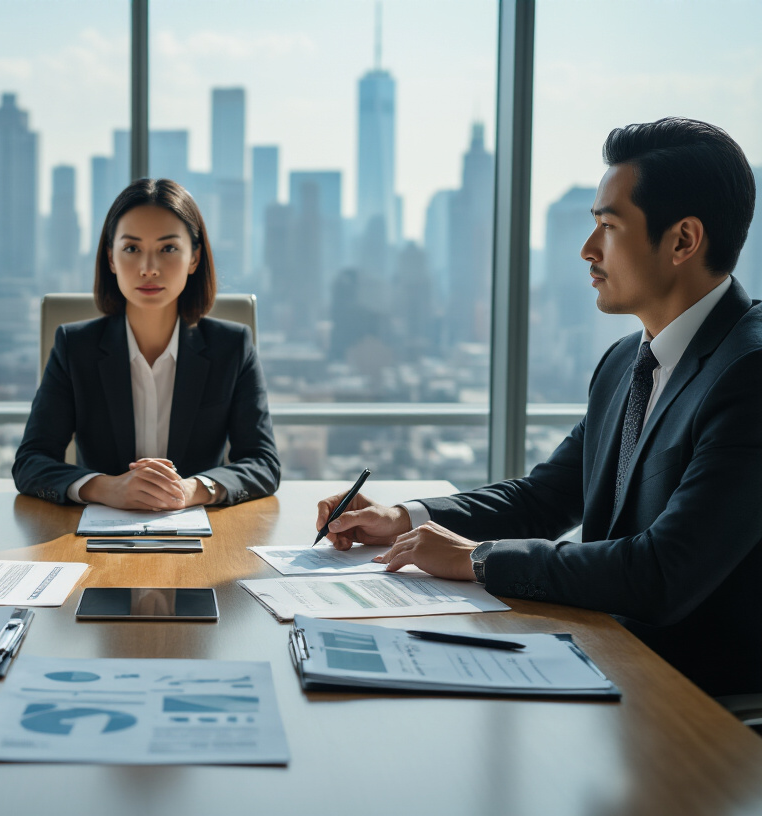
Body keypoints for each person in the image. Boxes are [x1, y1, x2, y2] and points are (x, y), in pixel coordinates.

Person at [317, 118, 760, 697]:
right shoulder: (628, 361)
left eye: (608, 226)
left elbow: (663, 574)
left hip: (695, 705)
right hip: (604, 655)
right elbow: (546, 496)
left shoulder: (749, 373)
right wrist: (407, 519)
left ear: (682, 240)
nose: (587, 250)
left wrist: (479, 559)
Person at [13, 178, 279, 510]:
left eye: (168, 248)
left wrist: (194, 488)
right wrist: (106, 488)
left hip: (203, 539)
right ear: (111, 259)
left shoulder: (232, 347)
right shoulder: (75, 347)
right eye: (131, 248)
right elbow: (30, 462)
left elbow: (263, 462)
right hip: (94, 539)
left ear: (194, 258)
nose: (149, 269)